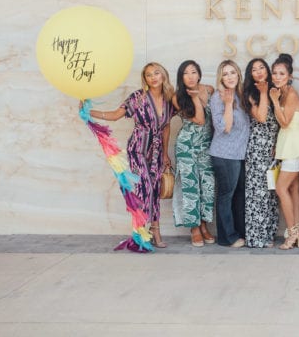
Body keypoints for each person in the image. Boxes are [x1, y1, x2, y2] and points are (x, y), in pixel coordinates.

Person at [87, 62, 175, 248]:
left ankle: (154, 230)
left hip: (157, 151)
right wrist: (90, 112)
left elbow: (166, 127)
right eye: (149, 75)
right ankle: (142, 232)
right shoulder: (138, 97)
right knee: (146, 188)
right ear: (145, 79)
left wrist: (165, 153)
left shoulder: (169, 99)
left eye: (157, 73)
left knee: (155, 189)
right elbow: (115, 115)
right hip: (138, 148)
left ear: (163, 75)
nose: (153, 77)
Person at [171, 60, 216, 247]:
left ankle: (204, 225)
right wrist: (196, 98)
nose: (190, 76)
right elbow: (199, 120)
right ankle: (194, 228)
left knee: (208, 187)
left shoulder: (210, 89)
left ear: (199, 74)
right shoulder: (178, 97)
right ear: (181, 77)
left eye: (193, 72)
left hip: (206, 146)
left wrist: (201, 94)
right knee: (190, 189)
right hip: (186, 146)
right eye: (186, 73)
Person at [209, 60, 250, 248]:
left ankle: (240, 233)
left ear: (238, 74)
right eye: (225, 74)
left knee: (239, 195)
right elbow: (224, 128)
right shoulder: (219, 98)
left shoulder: (241, 95)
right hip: (224, 154)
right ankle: (228, 237)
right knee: (226, 195)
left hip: (239, 154)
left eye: (232, 72)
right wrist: (227, 104)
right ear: (221, 78)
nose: (230, 77)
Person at [269, 53, 299, 250]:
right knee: (292, 188)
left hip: (294, 146)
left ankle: (292, 231)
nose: (277, 77)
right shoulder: (283, 92)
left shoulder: (290, 94)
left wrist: (274, 101)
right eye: (274, 73)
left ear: (289, 76)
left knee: (280, 188)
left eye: (281, 73)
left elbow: (285, 123)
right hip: (288, 145)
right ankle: (298, 230)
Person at [243, 58, 280, 248]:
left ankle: (269, 233)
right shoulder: (250, 93)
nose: (258, 72)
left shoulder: (277, 91)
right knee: (257, 193)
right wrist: (264, 93)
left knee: (271, 192)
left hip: (274, 147)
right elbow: (262, 117)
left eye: (262, 68)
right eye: (254, 69)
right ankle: (257, 236)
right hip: (258, 147)